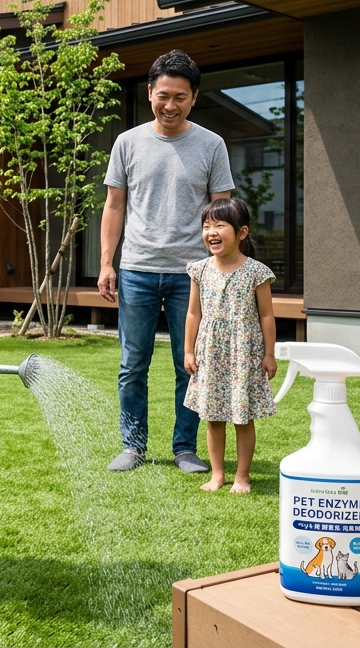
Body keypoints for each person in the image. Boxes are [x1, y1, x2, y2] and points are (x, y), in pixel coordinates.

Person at [99, 50, 234, 473]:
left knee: (189, 364)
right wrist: (107, 262)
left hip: (192, 273)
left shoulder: (212, 145)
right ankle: (133, 445)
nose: (170, 105)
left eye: (179, 97)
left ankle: (184, 448)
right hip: (137, 268)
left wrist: (221, 268)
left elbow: (222, 211)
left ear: (194, 97)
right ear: (149, 93)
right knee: (131, 364)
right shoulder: (128, 142)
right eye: (163, 96)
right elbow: (114, 206)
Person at [183, 198, 278, 493]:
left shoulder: (256, 272)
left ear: (241, 232)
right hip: (210, 353)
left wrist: (269, 354)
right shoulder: (199, 270)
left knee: (242, 416)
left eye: (220, 225)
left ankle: (242, 476)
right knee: (212, 416)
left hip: (243, 354)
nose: (211, 231)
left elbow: (266, 315)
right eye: (207, 226)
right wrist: (188, 350)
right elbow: (193, 313)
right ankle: (217, 474)